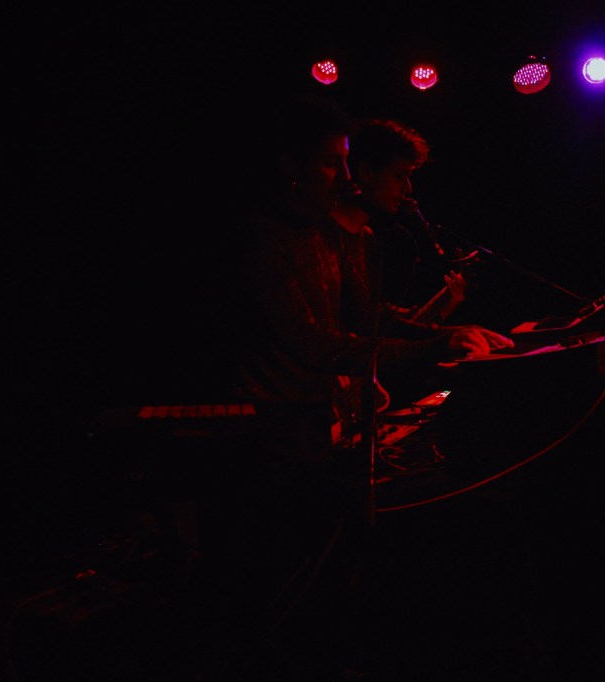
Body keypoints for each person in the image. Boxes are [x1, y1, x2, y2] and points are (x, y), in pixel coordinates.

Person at [193, 93, 513, 678]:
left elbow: (366, 320)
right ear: (288, 165)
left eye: (345, 164)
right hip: (273, 430)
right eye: (329, 163)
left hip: (316, 422)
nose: (343, 178)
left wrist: (447, 331)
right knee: (286, 579)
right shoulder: (265, 238)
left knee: (336, 568)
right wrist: (433, 346)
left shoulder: (329, 233)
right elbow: (312, 343)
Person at [335, 117, 469, 326]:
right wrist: (447, 338)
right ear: (367, 172)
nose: (408, 188)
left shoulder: (367, 239)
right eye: (399, 176)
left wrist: (446, 305)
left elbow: (378, 326)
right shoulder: (326, 237)